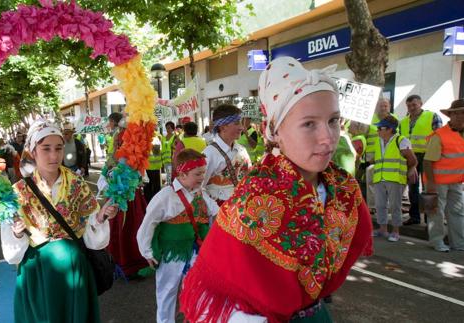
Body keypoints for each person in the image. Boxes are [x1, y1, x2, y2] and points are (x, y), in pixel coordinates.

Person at [179, 57, 372, 322]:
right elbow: (222, 282)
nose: (328, 137)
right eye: (309, 124)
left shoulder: (344, 189)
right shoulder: (255, 196)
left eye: (334, 120)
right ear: (274, 131)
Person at [0, 119, 118, 322]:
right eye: (46, 149)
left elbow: (92, 232)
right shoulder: (18, 192)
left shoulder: (76, 183)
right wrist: (17, 233)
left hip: (74, 268)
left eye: (58, 148)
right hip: (37, 272)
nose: (54, 156)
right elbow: (12, 253)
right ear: (32, 151)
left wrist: (100, 218)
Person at [137, 149, 220, 323]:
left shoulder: (200, 193)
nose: (202, 178)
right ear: (182, 174)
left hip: (196, 251)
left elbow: (217, 213)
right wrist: (147, 252)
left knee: (197, 289)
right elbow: (147, 225)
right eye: (198, 174)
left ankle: (193, 319)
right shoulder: (165, 196)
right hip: (171, 255)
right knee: (167, 292)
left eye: (203, 173)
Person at [100, 112, 149, 277]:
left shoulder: (134, 147)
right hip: (123, 195)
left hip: (131, 194)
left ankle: (128, 259)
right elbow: (109, 169)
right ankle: (125, 259)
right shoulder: (120, 149)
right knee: (126, 225)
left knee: (130, 225)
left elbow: (137, 171)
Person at [422, 99, 464, 252]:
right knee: (436, 212)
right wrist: (431, 184)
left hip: (456, 182)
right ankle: (436, 241)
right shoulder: (439, 135)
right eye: (457, 113)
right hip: (438, 182)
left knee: (457, 212)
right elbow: (427, 162)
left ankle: (458, 243)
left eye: (463, 113)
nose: (460, 116)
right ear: (450, 116)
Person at [372, 116, 417, 242]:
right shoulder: (378, 140)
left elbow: (412, 159)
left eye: (380, 128)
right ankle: (382, 229)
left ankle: (396, 232)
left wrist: (412, 168)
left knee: (395, 206)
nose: (378, 130)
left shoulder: (401, 141)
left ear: (390, 129)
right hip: (379, 178)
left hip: (396, 178)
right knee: (380, 205)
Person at [399, 94, 442, 225]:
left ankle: (430, 220)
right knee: (413, 188)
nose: (411, 108)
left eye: (414, 105)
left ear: (421, 104)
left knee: (429, 188)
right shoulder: (404, 122)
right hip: (411, 157)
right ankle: (415, 217)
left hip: (428, 157)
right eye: (409, 105)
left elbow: (439, 137)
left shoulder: (432, 116)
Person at [202, 104, 251, 205]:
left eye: (241, 123)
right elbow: (199, 188)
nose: (242, 127)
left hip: (242, 209)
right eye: (237, 123)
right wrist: (214, 210)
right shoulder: (209, 154)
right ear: (223, 127)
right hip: (219, 213)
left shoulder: (242, 150)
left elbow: (250, 178)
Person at [144, 132, 163, 203]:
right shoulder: (157, 138)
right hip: (156, 166)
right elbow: (158, 151)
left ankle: (149, 202)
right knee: (156, 187)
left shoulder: (148, 140)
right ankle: (157, 201)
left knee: (148, 187)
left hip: (149, 167)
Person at [161, 122, 177, 186]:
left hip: (172, 159)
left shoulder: (175, 137)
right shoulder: (163, 138)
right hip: (165, 160)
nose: (168, 129)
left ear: (172, 128)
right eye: (166, 128)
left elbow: (178, 147)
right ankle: (169, 189)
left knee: (172, 176)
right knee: (168, 176)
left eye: (169, 128)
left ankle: (172, 189)